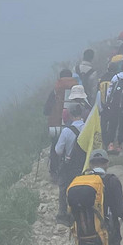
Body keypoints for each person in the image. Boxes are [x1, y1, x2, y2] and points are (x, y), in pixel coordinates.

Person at [53, 87, 90, 221]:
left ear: (70, 114)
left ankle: (63, 213)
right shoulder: (88, 127)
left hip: (69, 166)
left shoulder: (67, 131)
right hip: (85, 164)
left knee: (64, 187)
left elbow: (58, 150)